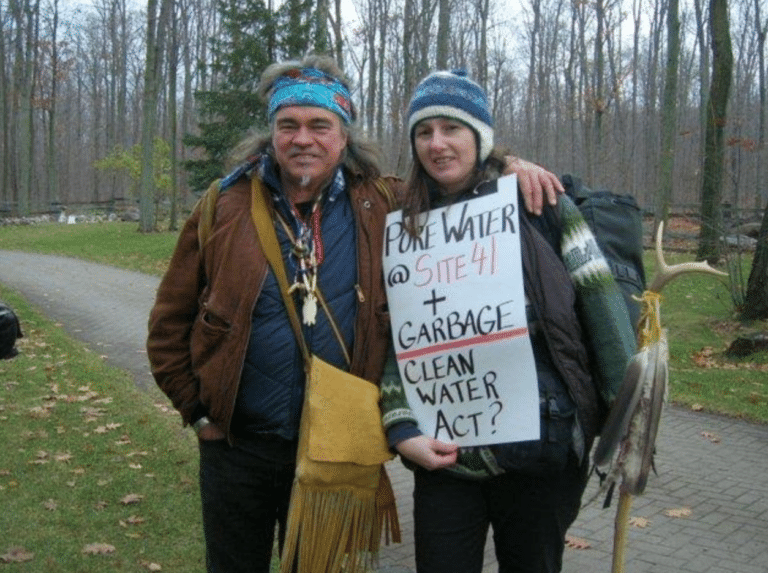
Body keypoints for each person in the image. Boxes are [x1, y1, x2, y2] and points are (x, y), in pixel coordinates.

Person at [146, 55, 564, 573]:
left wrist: (507, 164)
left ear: (343, 136)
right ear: (271, 134)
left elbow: (455, 175)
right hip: (237, 449)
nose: (304, 139)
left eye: (320, 125)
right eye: (288, 125)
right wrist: (200, 413)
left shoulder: (384, 202)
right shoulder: (223, 206)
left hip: (338, 448)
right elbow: (169, 322)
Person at [380, 70, 637, 573]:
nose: (437, 144)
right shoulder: (404, 224)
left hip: (542, 450)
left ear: (480, 136)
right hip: (447, 456)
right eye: (424, 131)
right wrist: (402, 426)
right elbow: (401, 338)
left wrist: (627, 424)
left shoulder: (540, 205)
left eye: (452, 129)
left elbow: (603, 309)